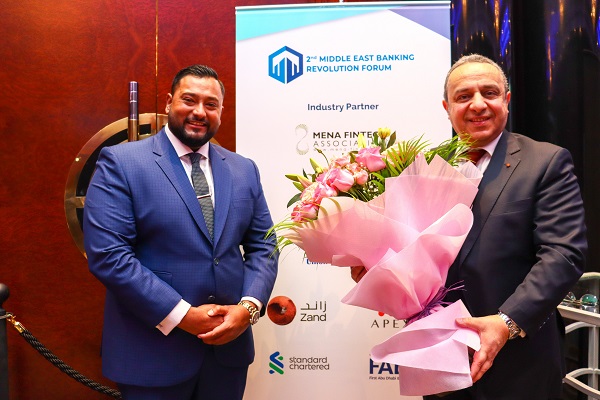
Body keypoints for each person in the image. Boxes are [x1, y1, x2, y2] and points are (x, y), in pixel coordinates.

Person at [352, 54, 588, 399]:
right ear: (447, 108)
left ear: (506, 100)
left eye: (489, 93)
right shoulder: (421, 167)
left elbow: (563, 255)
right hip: (441, 359)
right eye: (464, 96)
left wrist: (506, 322)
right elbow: (411, 253)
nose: (478, 104)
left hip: (520, 363)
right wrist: (378, 270)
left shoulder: (545, 162)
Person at [83, 64, 278, 400]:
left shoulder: (244, 169)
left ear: (221, 111)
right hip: (151, 353)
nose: (199, 112)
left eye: (211, 104)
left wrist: (248, 308)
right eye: (189, 100)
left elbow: (265, 246)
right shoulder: (122, 162)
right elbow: (109, 256)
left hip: (227, 356)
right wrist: (182, 315)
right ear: (169, 102)